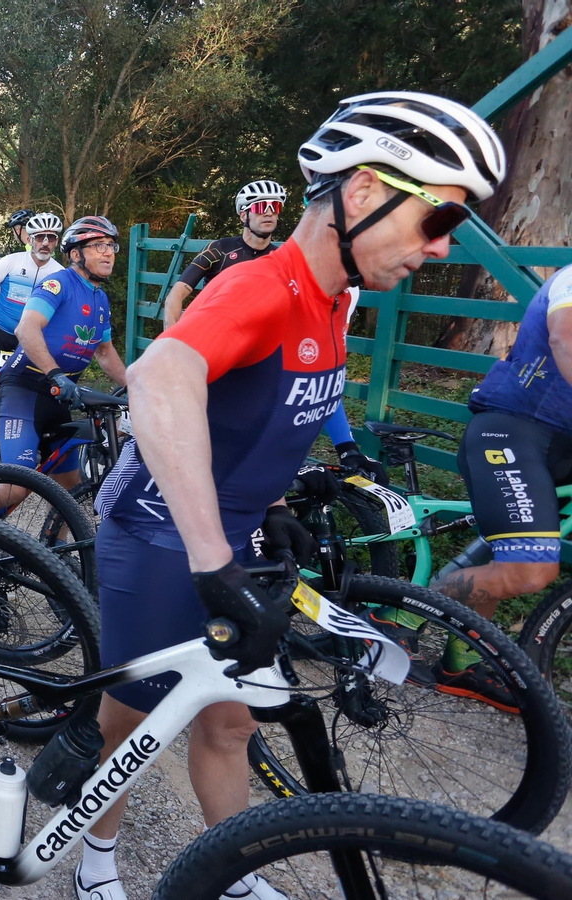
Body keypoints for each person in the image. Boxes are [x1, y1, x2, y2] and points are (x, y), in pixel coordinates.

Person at [75, 91, 504, 900]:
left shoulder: (337, 295)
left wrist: (273, 503)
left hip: (237, 528)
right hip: (163, 529)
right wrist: (211, 553)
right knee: (131, 719)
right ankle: (96, 860)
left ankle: (228, 871)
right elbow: (163, 379)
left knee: (230, 719)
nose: (441, 249)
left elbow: (275, 409)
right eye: (437, 219)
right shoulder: (261, 286)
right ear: (365, 192)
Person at [426, 263, 572, 708]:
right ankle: (409, 601)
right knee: (527, 571)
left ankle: (461, 665)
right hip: (516, 428)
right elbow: (565, 337)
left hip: (561, 441)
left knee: (508, 558)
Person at [0, 216, 127, 516]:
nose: (108, 252)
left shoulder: (100, 299)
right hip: (25, 387)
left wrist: (134, 386)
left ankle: (56, 546)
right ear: (76, 254)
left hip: (58, 393)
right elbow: (27, 329)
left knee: (70, 487)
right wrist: (56, 374)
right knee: (16, 485)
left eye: (111, 245)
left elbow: (104, 352)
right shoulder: (58, 283)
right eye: (99, 245)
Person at [0, 212, 66, 399]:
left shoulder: (60, 274)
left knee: (22, 393)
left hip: (28, 339)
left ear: (57, 241)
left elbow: (61, 315)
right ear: (30, 239)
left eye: (51, 238)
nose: (45, 243)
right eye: (40, 237)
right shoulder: (10, 262)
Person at [162, 180, 288, 326]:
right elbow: (176, 296)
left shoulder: (279, 259)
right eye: (260, 207)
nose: (269, 212)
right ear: (243, 215)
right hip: (214, 334)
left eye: (275, 207)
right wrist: (170, 337)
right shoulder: (219, 249)